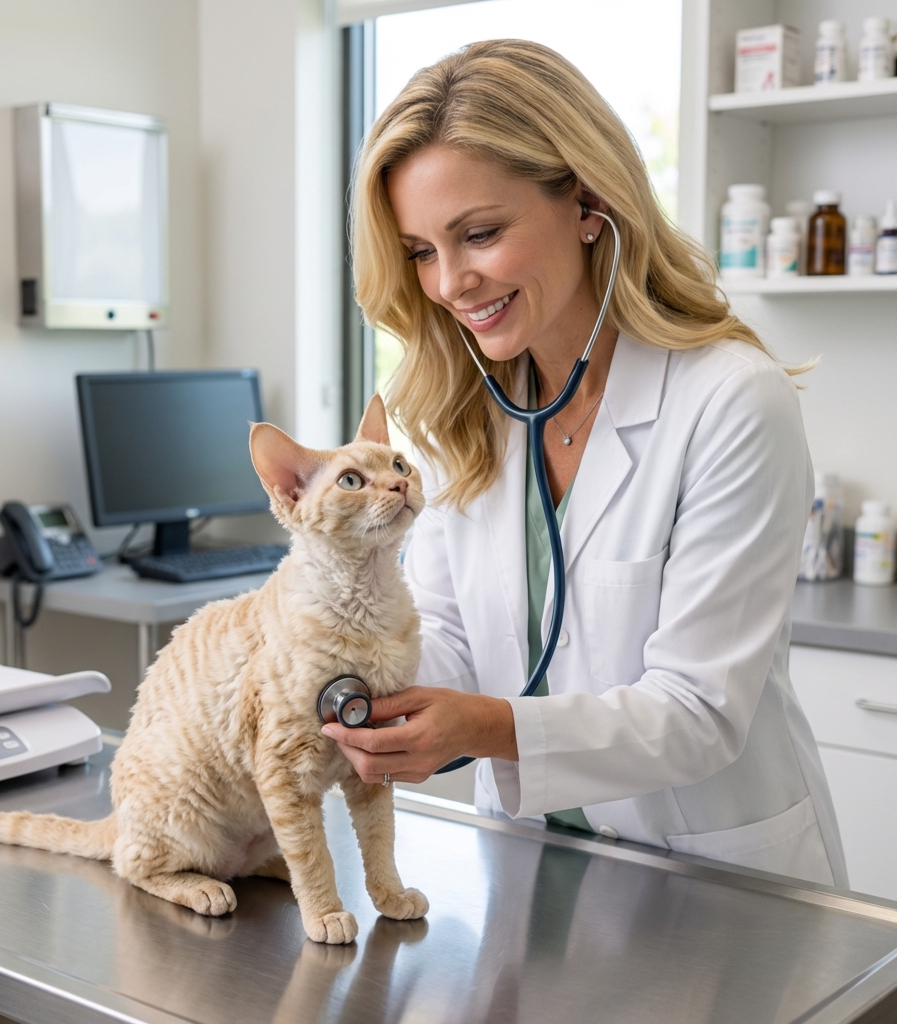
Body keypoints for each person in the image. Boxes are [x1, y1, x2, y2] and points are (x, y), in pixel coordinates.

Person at [321, 39, 845, 887]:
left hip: (716, 885)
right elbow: (452, 640)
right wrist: (337, 667)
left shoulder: (730, 401)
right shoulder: (470, 410)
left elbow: (698, 712)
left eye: (480, 233)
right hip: (536, 862)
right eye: (420, 251)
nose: (450, 282)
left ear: (588, 202)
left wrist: (481, 728)